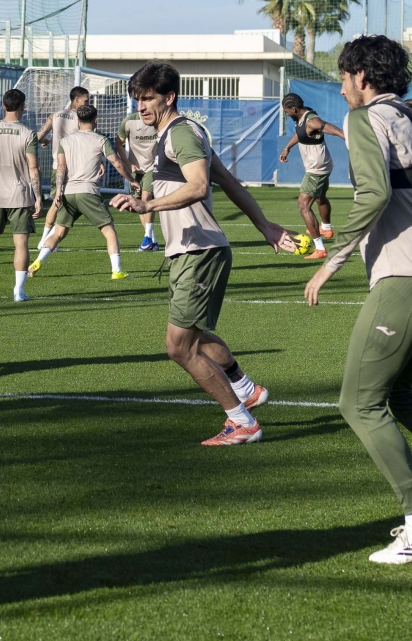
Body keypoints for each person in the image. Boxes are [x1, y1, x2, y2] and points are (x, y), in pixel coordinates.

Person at [304, 36, 412, 563]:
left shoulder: (364, 118)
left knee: (358, 401)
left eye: (344, 76)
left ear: (361, 77)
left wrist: (332, 261)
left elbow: (374, 194)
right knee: (397, 394)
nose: (342, 86)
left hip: (407, 277)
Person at [111, 61, 286, 446]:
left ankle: (242, 422)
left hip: (200, 250)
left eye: (148, 98)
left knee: (179, 347)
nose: (140, 106)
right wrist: (265, 225)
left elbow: (200, 185)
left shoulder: (181, 133)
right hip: (189, 250)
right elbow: (229, 182)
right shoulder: (171, 136)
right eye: (137, 99)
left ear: (169, 97)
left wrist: (148, 208)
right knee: (197, 336)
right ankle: (246, 388)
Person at [28, 103, 133, 279]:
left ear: (78, 120)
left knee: (59, 232)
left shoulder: (65, 141)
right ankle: (117, 270)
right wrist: (132, 181)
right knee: (109, 231)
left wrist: (59, 191)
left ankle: (38, 261)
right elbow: (117, 163)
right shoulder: (101, 140)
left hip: (69, 192)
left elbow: (61, 167)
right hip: (88, 192)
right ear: (96, 120)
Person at [0, 89, 43, 301]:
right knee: (21, 243)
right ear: (23, 106)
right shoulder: (28, 134)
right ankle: (19, 291)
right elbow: (33, 168)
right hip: (20, 195)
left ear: (3, 106)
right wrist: (38, 197)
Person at [278, 93, 345, 259]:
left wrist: (351, 139)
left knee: (303, 206)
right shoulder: (302, 117)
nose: (286, 114)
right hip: (321, 165)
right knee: (320, 197)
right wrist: (287, 148)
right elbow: (299, 134)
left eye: (286, 111)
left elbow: (335, 130)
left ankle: (320, 249)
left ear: (294, 109)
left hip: (317, 169)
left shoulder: (311, 120)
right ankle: (326, 228)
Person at [35, 86, 88, 252]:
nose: (88, 103)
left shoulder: (55, 115)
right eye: (85, 100)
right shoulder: (80, 117)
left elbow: (38, 136)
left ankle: (47, 239)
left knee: (57, 203)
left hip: (56, 166)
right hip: (73, 167)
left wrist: (46, 140)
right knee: (59, 204)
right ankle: (45, 240)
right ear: (76, 100)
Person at [115, 102, 161, 251]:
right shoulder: (129, 122)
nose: (143, 108)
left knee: (147, 198)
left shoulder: (158, 120)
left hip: (153, 167)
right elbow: (118, 144)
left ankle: (147, 238)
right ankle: (152, 239)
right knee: (138, 204)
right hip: (135, 169)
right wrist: (128, 164)